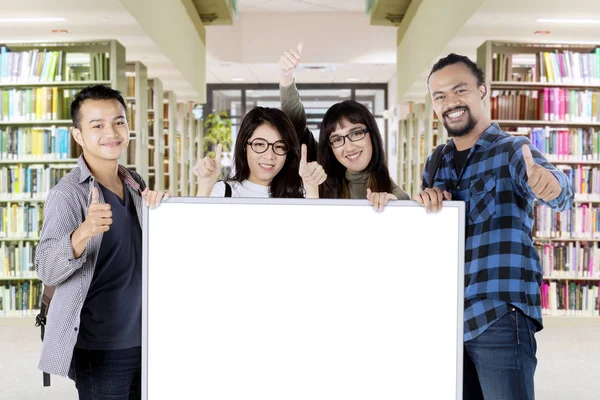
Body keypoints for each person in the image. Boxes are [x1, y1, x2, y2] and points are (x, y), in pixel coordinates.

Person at [414, 53, 574, 399]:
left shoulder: (513, 150)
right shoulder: (436, 161)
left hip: (498, 315)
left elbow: (561, 193)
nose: (450, 103)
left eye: (460, 90)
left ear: (482, 91)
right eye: (439, 96)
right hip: (449, 318)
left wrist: (550, 184)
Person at [35, 85, 170, 400]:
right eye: (97, 125)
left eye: (119, 121)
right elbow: (46, 268)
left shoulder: (134, 182)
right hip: (101, 346)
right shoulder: (67, 194)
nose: (112, 132)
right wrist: (83, 232)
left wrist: (162, 213)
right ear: (78, 135)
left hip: (146, 339)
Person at [278, 44, 409, 211]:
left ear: (372, 134)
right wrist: (286, 77)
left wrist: (395, 207)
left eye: (356, 133)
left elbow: (405, 213)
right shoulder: (323, 175)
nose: (349, 146)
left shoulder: (394, 195)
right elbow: (295, 125)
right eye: (337, 139)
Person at [193, 106, 326, 198]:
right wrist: (205, 186)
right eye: (259, 144)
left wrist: (312, 188)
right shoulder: (223, 191)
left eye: (279, 146)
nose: (269, 156)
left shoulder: (300, 196)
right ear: (245, 146)